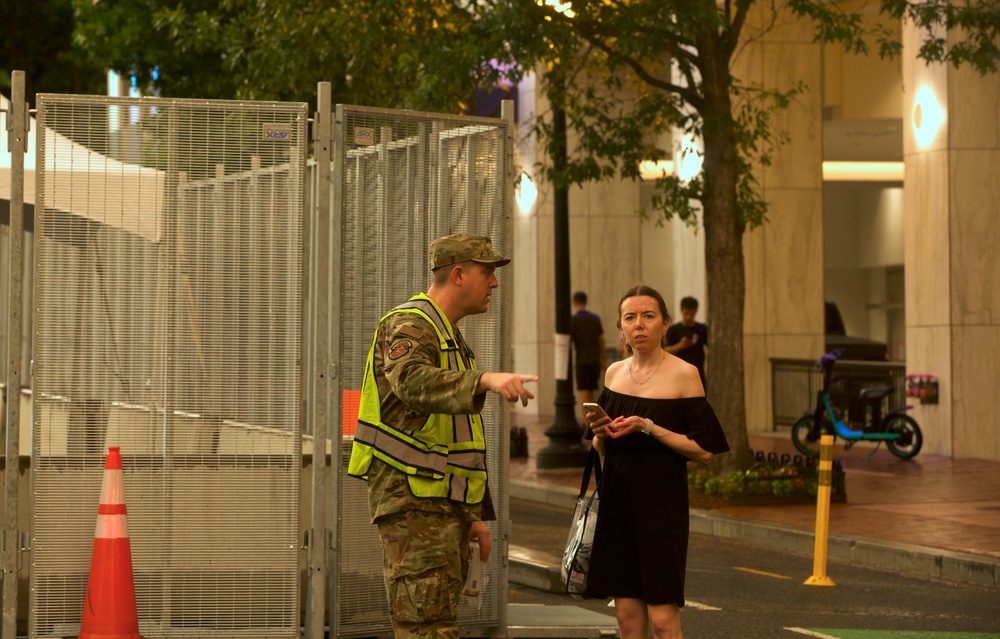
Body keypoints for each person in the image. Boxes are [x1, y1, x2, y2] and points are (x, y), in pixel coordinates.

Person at [348, 233, 538, 639]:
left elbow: (451, 442)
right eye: (487, 272)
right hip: (414, 503)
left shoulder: (447, 333)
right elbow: (412, 382)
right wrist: (486, 379)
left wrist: (469, 517)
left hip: (437, 506)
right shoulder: (411, 324)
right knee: (426, 629)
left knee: (436, 625)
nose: (494, 283)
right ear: (457, 274)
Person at [584, 285, 729, 639]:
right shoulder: (614, 373)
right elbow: (602, 450)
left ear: (665, 323)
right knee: (627, 620)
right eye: (630, 318)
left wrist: (649, 427)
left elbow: (704, 450)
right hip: (618, 502)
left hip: (662, 506)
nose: (639, 325)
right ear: (621, 328)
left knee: (663, 622)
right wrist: (601, 433)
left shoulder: (684, 374)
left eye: (648, 316)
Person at [570, 291, 608, 410]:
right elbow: (601, 340)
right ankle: (592, 421)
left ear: (574, 302)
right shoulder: (595, 318)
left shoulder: (573, 320)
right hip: (595, 359)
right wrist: (603, 360)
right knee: (591, 392)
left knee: (584, 393)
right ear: (586, 302)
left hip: (582, 360)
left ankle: (588, 424)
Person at [665, 296, 708, 390]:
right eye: (686, 313)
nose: (688, 317)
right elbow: (663, 352)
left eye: (691, 314)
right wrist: (680, 346)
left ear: (696, 312)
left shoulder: (702, 329)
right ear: (681, 311)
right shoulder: (673, 330)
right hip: (678, 375)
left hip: (698, 374)